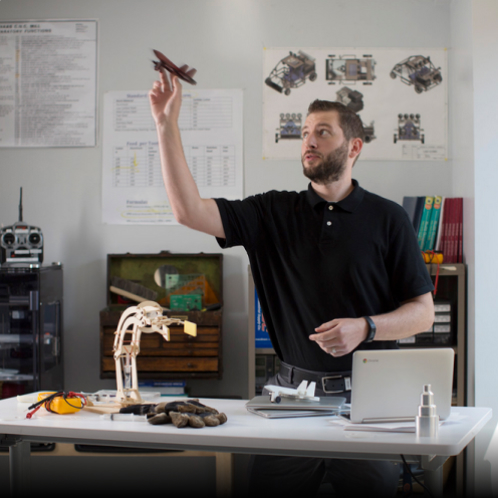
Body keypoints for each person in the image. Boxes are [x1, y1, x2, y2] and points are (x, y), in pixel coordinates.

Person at [149, 69, 435, 497]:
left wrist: (366, 327)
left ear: (354, 147)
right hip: (290, 401)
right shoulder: (271, 212)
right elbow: (188, 210)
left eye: (323, 132)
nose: (309, 141)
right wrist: (165, 124)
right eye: (304, 132)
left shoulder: (389, 218)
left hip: (369, 403)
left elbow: (423, 314)